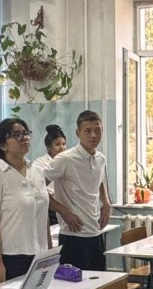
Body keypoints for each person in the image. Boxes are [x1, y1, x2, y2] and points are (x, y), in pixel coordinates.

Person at [0, 118, 51, 285]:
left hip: (37, 253)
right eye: (16, 135)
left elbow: (42, 214)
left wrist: (49, 254)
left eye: (26, 133)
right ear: (3, 145)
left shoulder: (36, 171)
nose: (24, 138)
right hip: (7, 257)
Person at [46, 111, 112, 271]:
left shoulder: (100, 158)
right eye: (88, 131)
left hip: (95, 231)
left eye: (97, 130)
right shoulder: (64, 159)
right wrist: (63, 211)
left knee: (99, 281)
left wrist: (106, 202)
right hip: (73, 236)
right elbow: (38, 188)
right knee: (74, 283)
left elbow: (99, 180)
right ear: (78, 133)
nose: (93, 135)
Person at [31, 124, 67, 226]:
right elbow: (37, 188)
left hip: (66, 204)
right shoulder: (39, 164)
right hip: (49, 207)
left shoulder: (67, 162)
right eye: (57, 144)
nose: (62, 148)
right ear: (49, 147)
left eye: (64, 144)